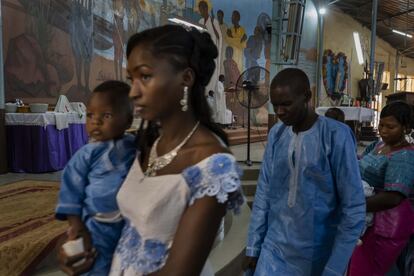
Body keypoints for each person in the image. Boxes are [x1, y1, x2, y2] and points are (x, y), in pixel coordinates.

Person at [110, 25, 244, 275]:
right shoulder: (151, 141)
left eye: (145, 77)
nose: (133, 92)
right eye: (131, 79)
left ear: (186, 78)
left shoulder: (213, 165)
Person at [243, 68, 365, 275]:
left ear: (307, 97)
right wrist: (254, 246)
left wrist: (335, 267)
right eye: (275, 105)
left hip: (318, 252)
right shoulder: (277, 134)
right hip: (274, 247)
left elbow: (353, 207)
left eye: (286, 104)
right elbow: (264, 192)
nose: (279, 111)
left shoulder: (335, 136)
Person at [56, 80, 136, 275]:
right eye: (90, 115)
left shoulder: (133, 144)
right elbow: (71, 189)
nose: (95, 122)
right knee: (96, 264)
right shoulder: (86, 154)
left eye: (106, 115)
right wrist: (76, 226)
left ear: (127, 120)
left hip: (127, 223)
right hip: (96, 224)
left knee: (123, 261)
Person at [348, 101, 414, 276]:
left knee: (372, 268)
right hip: (366, 211)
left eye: (390, 127)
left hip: (385, 223)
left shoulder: (404, 155)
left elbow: (393, 197)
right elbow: (360, 162)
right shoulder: (378, 145)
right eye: (381, 125)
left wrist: (355, 205)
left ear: (406, 128)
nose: (383, 130)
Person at [198, 0, 222, 95]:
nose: (201, 11)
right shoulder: (200, 21)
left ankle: (210, 94)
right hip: (203, 53)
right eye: (200, 9)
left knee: (212, 76)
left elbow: (218, 36)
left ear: (206, 9)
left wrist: (212, 23)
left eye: (203, 9)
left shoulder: (214, 21)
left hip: (211, 52)